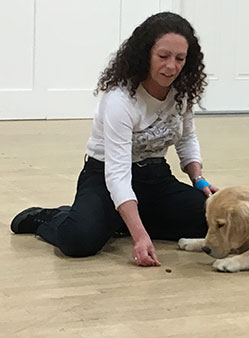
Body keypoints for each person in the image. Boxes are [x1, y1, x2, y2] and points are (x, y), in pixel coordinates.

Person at [10, 12, 218, 267]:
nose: (171, 66)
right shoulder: (120, 100)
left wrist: (200, 181)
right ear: (146, 54)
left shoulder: (182, 92)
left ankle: (120, 219)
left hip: (155, 176)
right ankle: (50, 218)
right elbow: (117, 174)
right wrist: (140, 237)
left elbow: (187, 140)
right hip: (104, 176)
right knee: (79, 240)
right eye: (163, 56)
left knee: (211, 220)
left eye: (179, 58)